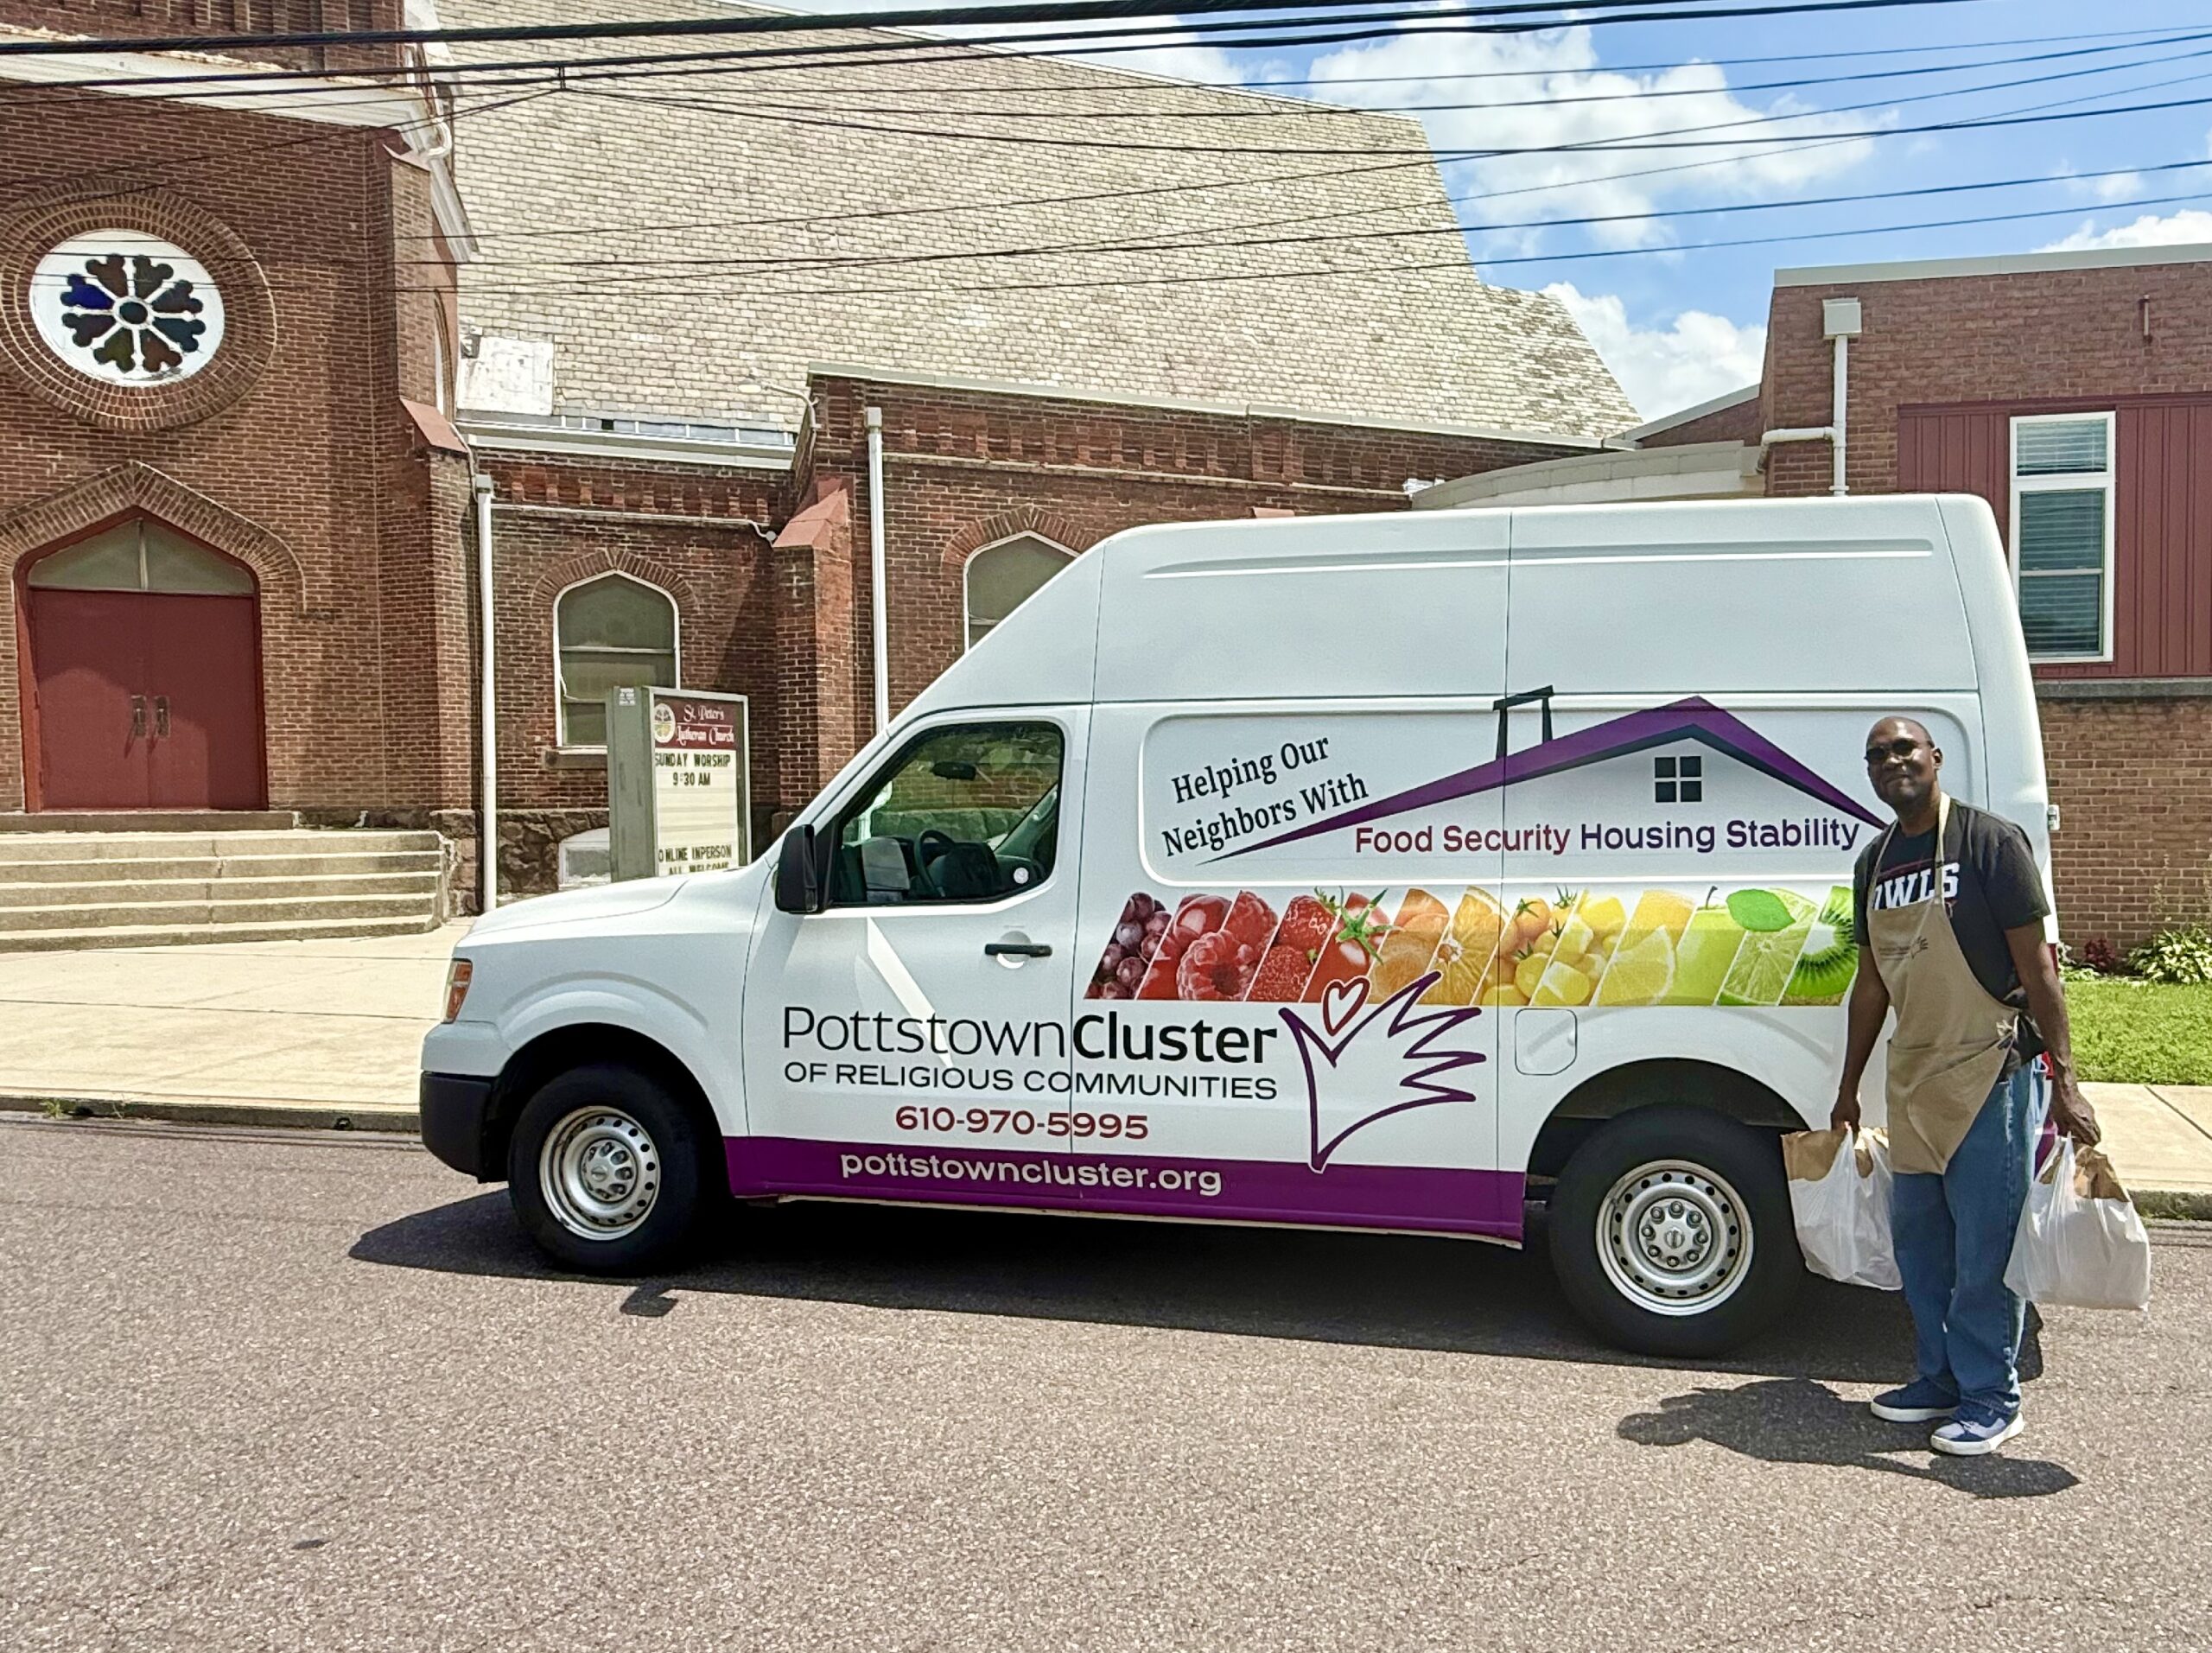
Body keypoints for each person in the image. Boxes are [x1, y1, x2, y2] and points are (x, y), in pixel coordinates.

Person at [1832, 716, 2098, 1457]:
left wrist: (2067, 1082)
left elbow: (2040, 971)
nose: (1893, 762)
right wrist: (1848, 1085)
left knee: (1986, 1248)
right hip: (1913, 1076)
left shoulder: (1990, 843)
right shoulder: (1874, 862)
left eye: (1904, 749)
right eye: (1878, 755)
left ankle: (1992, 1398)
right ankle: (1939, 1377)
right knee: (1921, 1245)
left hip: (1991, 1068)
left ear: (1935, 757)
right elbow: (1871, 984)